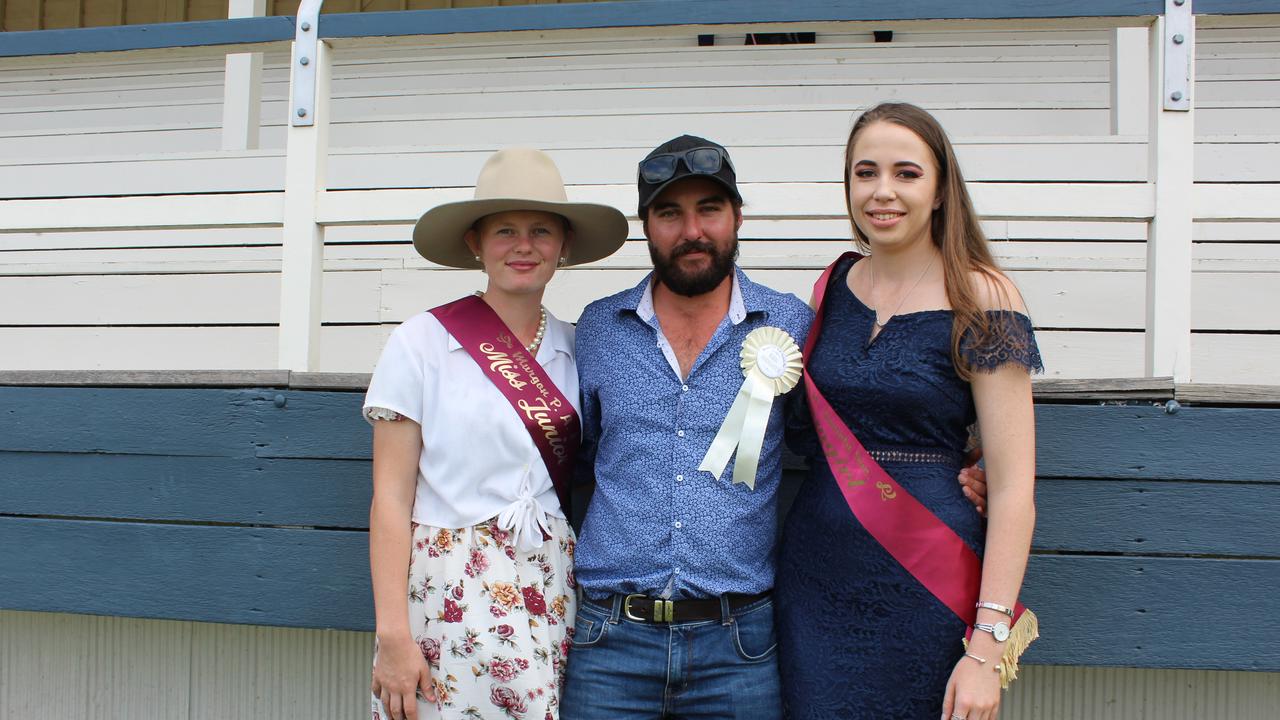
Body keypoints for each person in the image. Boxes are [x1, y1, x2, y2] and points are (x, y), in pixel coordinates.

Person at [559, 135, 989, 720]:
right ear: (646, 225)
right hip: (610, 640)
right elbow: (560, 451)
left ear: (738, 216)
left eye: (709, 209)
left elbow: (852, 428)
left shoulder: (791, 325)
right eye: (669, 213)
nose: (692, 230)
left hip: (739, 646)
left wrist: (957, 463)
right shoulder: (598, 329)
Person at [775, 102, 1041, 720]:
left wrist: (985, 650)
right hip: (815, 579)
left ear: (942, 187)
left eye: (906, 173)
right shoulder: (831, 287)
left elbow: (1011, 488)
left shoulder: (983, 294)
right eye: (865, 173)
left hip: (927, 580)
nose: (882, 192)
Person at [363, 148, 628, 720]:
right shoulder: (422, 343)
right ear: (475, 243)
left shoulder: (580, 347)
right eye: (505, 230)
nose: (524, 245)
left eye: (541, 230)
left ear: (563, 246)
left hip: (549, 582)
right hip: (448, 589)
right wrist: (392, 637)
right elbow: (390, 498)